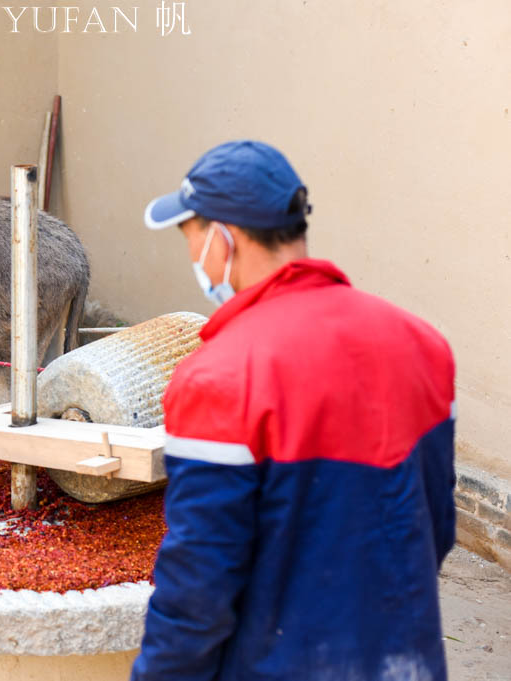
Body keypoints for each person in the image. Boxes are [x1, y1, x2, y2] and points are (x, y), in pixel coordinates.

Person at [132, 140, 456, 681]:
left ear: (222, 238)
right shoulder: (424, 345)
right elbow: (436, 528)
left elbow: (199, 588)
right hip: (407, 660)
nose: (194, 258)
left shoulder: (219, 377)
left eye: (191, 239)